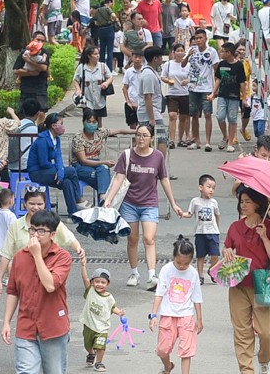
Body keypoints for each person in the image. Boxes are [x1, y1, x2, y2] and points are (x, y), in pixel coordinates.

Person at [102, 123, 186, 289]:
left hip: (149, 203)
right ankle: (134, 273)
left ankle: (152, 274)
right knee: (132, 239)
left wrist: (173, 203)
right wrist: (108, 199)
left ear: (151, 138)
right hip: (129, 203)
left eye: (144, 135)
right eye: (138, 135)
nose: (140, 138)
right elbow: (119, 178)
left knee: (149, 239)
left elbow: (164, 179)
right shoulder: (127, 155)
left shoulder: (157, 157)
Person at [2, 210, 73, 374]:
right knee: (26, 371)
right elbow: (13, 291)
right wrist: (6, 322)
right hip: (26, 325)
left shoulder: (63, 257)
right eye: (32, 229)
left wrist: (36, 256)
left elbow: (50, 285)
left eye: (41, 231)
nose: (35, 235)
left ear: (52, 234)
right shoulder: (20, 257)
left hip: (53, 327)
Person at [223, 187, 270, 374]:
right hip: (238, 286)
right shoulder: (235, 227)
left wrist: (264, 237)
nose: (243, 205)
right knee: (242, 332)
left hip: (263, 286)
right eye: (242, 201)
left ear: (258, 203)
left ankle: (264, 360)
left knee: (266, 334)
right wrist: (227, 253)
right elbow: (227, 249)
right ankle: (246, 370)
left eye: (248, 201)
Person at [0, 186, 86, 300]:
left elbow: (69, 238)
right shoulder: (16, 225)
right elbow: (6, 255)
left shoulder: (53, 223)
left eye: (40, 204)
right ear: (25, 204)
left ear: (45, 205)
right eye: (32, 203)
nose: (36, 207)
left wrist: (78, 249)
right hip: (25, 279)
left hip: (48, 276)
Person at [150, 236, 204, 374]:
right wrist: (153, 315)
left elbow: (197, 297)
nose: (182, 266)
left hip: (186, 316)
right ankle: (168, 366)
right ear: (173, 256)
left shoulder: (193, 273)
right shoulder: (166, 270)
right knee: (163, 350)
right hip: (168, 315)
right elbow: (159, 293)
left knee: (186, 351)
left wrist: (199, 319)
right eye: (179, 262)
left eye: (186, 263)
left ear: (191, 260)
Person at [71, 108, 135, 208]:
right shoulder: (78, 138)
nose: (91, 124)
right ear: (83, 122)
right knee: (103, 177)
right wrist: (104, 162)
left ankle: (102, 199)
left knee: (103, 170)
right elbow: (83, 161)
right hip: (81, 167)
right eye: (89, 121)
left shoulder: (99, 133)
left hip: (96, 165)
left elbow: (120, 130)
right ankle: (105, 200)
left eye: (94, 122)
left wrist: (137, 132)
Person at [26, 112, 81, 218]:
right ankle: (78, 198)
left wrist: (60, 171)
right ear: (53, 126)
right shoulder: (42, 140)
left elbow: (58, 157)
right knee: (72, 171)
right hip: (37, 172)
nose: (63, 127)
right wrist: (57, 169)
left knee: (67, 182)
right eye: (61, 123)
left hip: (48, 171)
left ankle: (73, 213)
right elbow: (43, 163)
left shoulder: (57, 139)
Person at [80, 261, 123, 372]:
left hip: (101, 328)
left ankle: (99, 363)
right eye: (97, 281)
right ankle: (91, 353)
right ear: (92, 282)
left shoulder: (109, 297)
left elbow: (112, 307)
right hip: (89, 325)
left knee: (100, 346)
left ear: (107, 284)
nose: (100, 284)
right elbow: (84, 278)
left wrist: (119, 312)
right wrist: (83, 265)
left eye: (103, 282)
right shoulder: (90, 291)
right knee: (87, 345)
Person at [185, 29, 219, 150]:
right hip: (193, 87)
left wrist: (215, 88)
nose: (198, 40)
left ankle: (208, 142)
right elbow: (183, 64)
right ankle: (196, 140)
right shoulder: (192, 50)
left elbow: (216, 70)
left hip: (207, 87)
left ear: (205, 38)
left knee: (208, 113)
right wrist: (188, 55)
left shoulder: (212, 52)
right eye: (196, 38)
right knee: (194, 114)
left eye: (201, 38)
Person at [212, 42, 247, 153]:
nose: (221, 53)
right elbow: (218, 78)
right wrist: (214, 92)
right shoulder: (221, 64)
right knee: (220, 116)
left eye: (223, 51)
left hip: (234, 96)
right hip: (222, 95)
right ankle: (225, 136)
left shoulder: (239, 65)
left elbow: (242, 82)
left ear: (229, 53)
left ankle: (230, 142)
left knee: (232, 119)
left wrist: (244, 97)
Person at [189, 175, 222, 281]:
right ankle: (200, 276)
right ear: (200, 187)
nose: (211, 190)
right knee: (200, 255)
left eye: (213, 188)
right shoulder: (195, 201)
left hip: (213, 232)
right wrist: (182, 214)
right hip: (200, 232)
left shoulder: (214, 202)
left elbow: (217, 215)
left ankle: (212, 270)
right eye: (209, 187)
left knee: (215, 254)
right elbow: (190, 213)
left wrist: (216, 227)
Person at [161, 43, 190, 148]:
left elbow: (192, 77)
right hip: (172, 93)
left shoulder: (188, 64)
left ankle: (180, 139)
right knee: (172, 116)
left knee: (183, 117)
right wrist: (168, 81)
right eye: (178, 51)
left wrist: (187, 81)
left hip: (184, 93)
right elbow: (163, 77)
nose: (180, 53)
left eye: (182, 50)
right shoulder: (168, 64)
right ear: (173, 53)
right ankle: (171, 140)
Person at [14, 31, 52, 110]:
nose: (40, 42)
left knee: (42, 110)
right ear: (32, 40)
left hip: (40, 87)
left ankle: (39, 123)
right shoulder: (24, 53)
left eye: (42, 41)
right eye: (38, 40)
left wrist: (28, 61)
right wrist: (31, 73)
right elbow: (16, 71)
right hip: (26, 88)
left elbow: (44, 68)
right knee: (24, 112)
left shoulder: (45, 53)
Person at [75, 46, 113, 121]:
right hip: (87, 98)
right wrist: (78, 90)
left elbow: (110, 77)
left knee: (99, 120)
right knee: (88, 119)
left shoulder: (102, 66)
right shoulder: (82, 67)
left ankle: (98, 132)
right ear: (89, 56)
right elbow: (76, 80)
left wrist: (106, 83)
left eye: (98, 53)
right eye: (95, 54)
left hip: (99, 98)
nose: (97, 56)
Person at [0, 189, 15, 270]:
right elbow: (13, 229)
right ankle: (9, 278)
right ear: (11, 200)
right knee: (9, 260)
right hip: (7, 243)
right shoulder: (11, 215)